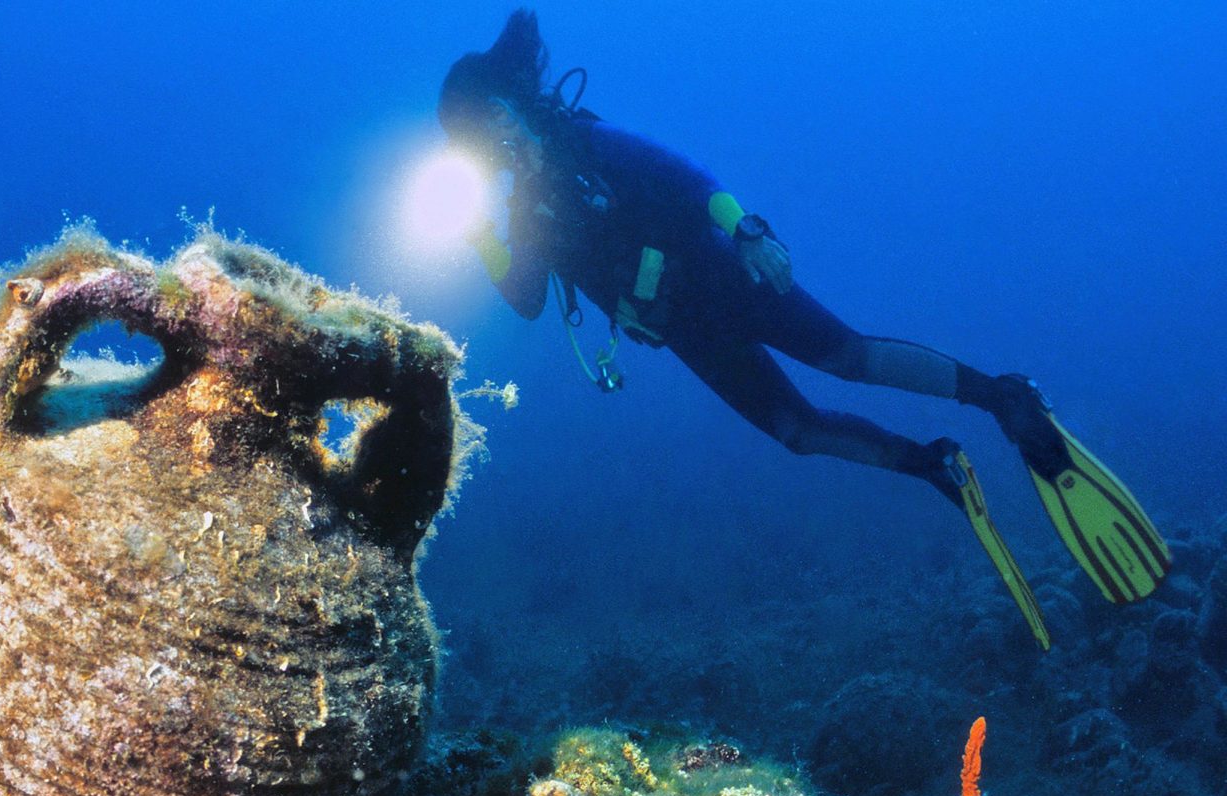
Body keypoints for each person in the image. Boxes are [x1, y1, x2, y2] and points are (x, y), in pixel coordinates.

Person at [438, 10, 1170, 648]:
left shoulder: (588, 145)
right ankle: (936, 465)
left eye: (487, 122)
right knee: (796, 431)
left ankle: (1004, 399)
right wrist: (478, 236)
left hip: (725, 275)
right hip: (688, 332)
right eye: (473, 139)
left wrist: (750, 229)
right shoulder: (524, 215)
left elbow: (688, 178)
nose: (490, 142)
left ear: (510, 104)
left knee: (849, 356)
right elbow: (528, 300)